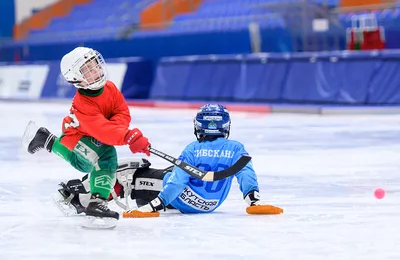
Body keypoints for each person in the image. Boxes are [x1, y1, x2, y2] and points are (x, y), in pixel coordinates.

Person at [55, 104, 283, 218]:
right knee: (164, 170)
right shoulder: (237, 148)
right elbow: (246, 173)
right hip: (211, 205)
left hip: (184, 199)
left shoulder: (192, 149)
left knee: (131, 174)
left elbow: (176, 182)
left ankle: (81, 197)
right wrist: (253, 202)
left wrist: (156, 205)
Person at [21, 47, 151, 226]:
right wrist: (127, 136)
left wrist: (121, 131)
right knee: (106, 156)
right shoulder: (83, 103)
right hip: (78, 135)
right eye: (87, 70)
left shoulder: (110, 88)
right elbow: (103, 131)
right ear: (76, 78)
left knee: (82, 165)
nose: (96, 71)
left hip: (92, 135)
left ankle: (45, 139)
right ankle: (96, 202)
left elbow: (122, 113)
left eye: (95, 65)